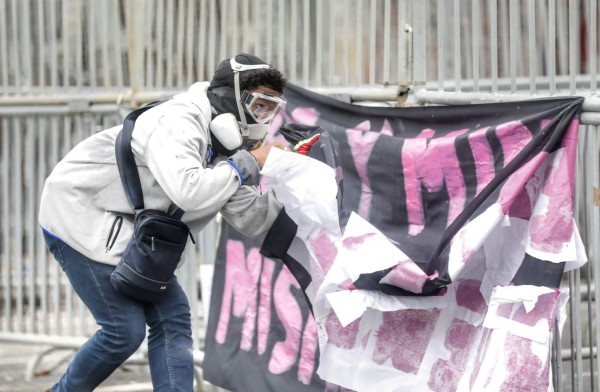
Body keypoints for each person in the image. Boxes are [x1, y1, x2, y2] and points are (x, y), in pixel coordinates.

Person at [39, 53, 289, 391]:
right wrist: (243, 164)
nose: (263, 116)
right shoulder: (179, 120)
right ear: (232, 95)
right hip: (78, 213)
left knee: (173, 320)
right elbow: (188, 191)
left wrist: (291, 181)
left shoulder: (233, 141)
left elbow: (250, 215)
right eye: (258, 104)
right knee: (122, 332)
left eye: (270, 108)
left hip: (130, 232)